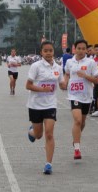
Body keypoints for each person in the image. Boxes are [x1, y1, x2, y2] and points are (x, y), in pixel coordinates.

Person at [26, 41, 65, 174]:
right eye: (46, 51)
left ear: (54, 52)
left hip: (50, 105)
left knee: (49, 133)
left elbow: (62, 85)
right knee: (38, 135)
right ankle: (31, 132)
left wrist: (69, 80)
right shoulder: (36, 66)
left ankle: (48, 164)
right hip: (35, 105)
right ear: (41, 52)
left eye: (51, 51)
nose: (48, 53)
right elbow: (28, 85)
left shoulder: (58, 68)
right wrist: (42, 89)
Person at [64, 39, 98, 160]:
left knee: (82, 122)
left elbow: (96, 80)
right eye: (78, 48)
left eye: (83, 48)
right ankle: (77, 149)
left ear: (86, 50)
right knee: (77, 120)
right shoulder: (69, 61)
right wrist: (65, 82)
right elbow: (67, 74)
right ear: (74, 49)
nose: (80, 51)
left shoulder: (91, 63)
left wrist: (85, 75)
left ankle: (76, 138)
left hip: (87, 96)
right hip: (74, 95)